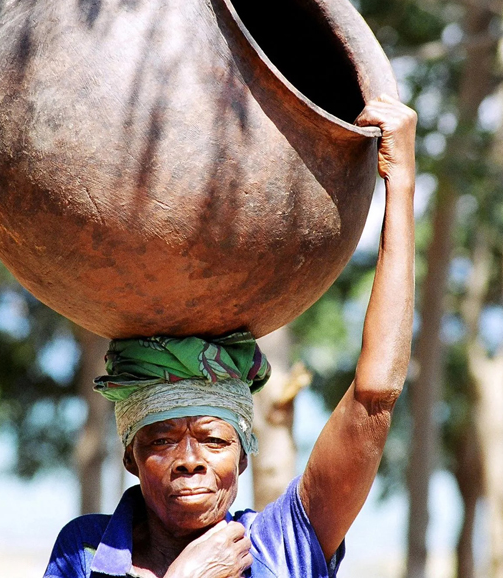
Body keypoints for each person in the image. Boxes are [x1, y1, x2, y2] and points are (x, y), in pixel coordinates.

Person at [44, 95, 417, 578]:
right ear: (130, 459)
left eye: (215, 441)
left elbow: (373, 397)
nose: (190, 462)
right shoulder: (86, 550)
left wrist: (401, 181)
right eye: (161, 440)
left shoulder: (281, 548)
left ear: (243, 459)